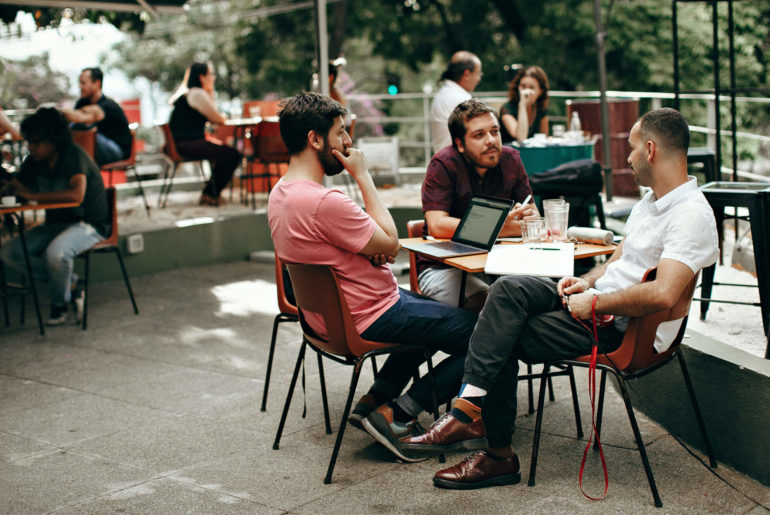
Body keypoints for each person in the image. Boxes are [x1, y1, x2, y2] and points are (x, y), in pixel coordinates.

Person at [402, 108, 719, 489]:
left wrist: (596, 303)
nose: (628, 158)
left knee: (503, 331)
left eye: (632, 148)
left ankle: (497, 454)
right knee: (508, 289)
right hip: (598, 304)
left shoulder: (691, 214)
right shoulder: (650, 202)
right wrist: (585, 282)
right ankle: (469, 408)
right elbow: (616, 263)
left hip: (623, 328)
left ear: (650, 150)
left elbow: (663, 292)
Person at [268, 91, 477, 463]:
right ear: (315, 139)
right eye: (340, 133)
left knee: (434, 314)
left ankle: (374, 400)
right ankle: (398, 414)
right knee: (482, 334)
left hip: (328, 321)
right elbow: (391, 242)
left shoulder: (280, 194)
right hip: (370, 314)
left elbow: (374, 245)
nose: (349, 142)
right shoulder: (324, 202)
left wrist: (373, 246)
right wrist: (363, 175)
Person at [419, 99, 538, 311]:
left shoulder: (511, 159)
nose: (491, 140)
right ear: (460, 144)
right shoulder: (443, 164)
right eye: (479, 135)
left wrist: (516, 224)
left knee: (543, 297)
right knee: (493, 308)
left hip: (502, 263)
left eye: (495, 131)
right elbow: (437, 225)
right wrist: (501, 227)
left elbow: (533, 220)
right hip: (445, 267)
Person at [0, 108, 109, 326]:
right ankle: (71, 284)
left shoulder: (73, 155)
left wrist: (32, 196)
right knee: (9, 252)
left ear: (53, 140)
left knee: (56, 255)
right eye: (29, 142)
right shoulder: (34, 161)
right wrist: (9, 188)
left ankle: (60, 304)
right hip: (54, 224)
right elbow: (16, 186)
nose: (31, 148)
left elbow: (77, 194)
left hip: (88, 223)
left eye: (36, 142)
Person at [168, 62, 240, 207]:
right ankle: (210, 194)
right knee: (233, 155)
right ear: (202, 77)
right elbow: (217, 119)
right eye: (211, 74)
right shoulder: (197, 93)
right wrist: (211, 92)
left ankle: (210, 192)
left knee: (222, 152)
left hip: (179, 143)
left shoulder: (187, 93)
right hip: (188, 143)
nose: (213, 77)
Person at [61, 67, 132, 165]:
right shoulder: (82, 103)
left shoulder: (109, 105)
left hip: (118, 151)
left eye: (83, 83)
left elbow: (79, 118)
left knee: (83, 131)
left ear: (97, 83)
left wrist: (65, 112)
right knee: (70, 130)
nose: (80, 87)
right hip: (96, 150)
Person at [430, 51, 483, 153]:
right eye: (478, 74)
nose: (479, 79)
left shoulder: (442, 95)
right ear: (466, 74)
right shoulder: (462, 99)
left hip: (443, 157)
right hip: (457, 159)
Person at [499, 66, 550, 143]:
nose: (526, 91)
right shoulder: (507, 109)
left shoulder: (541, 109)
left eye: (531, 88)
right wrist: (522, 104)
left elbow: (544, 138)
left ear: (540, 91)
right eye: (523, 86)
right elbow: (521, 137)